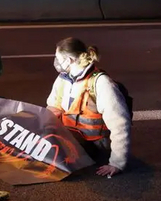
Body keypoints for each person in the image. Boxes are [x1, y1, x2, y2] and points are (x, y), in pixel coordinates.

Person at [46, 37, 131, 177]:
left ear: (69, 61)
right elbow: (52, 105)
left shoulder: (101, 83)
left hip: (93, 142)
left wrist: (116, 164)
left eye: (57, 57)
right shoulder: (63, 78)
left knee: (53, 156)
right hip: (72, 133)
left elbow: (120, 124)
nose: (55, 61)